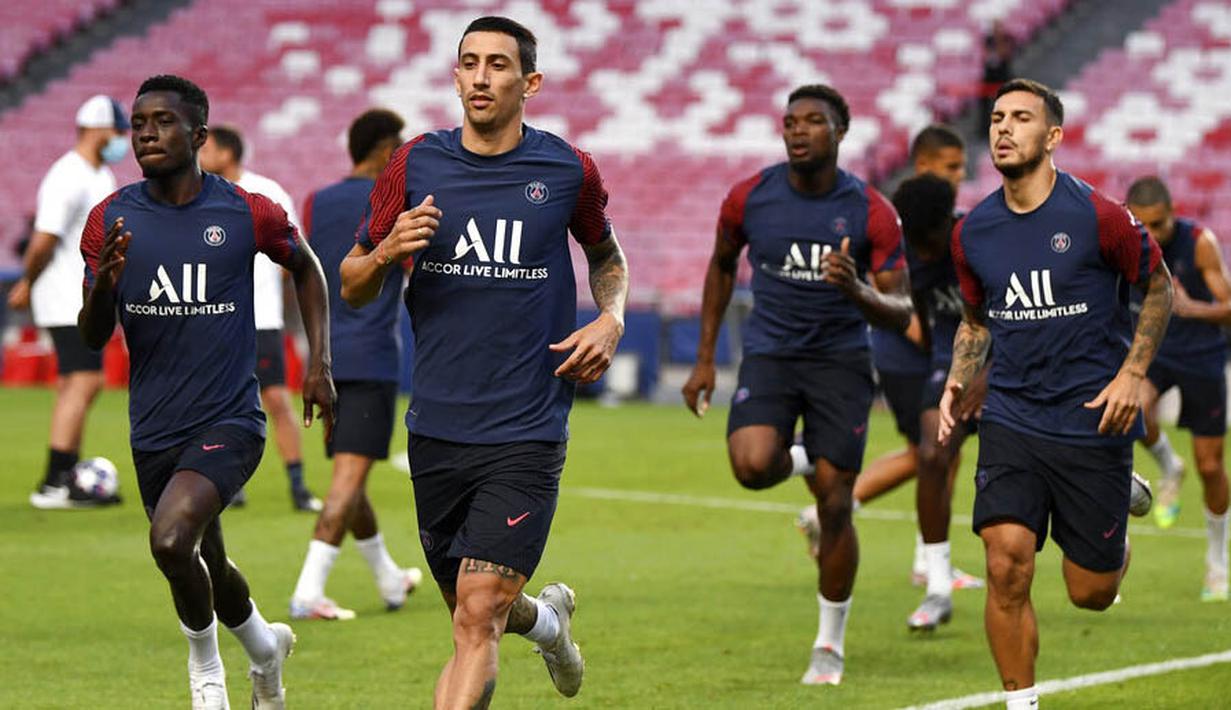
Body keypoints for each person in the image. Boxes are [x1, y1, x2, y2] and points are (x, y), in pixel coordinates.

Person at [340, 17, 628, 708]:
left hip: (526, 427)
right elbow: (351, 282)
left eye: (498, 64)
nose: (480, 76)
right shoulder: (413, 164)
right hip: (437, 427)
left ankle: (534, 623)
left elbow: (606, 257)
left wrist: (611, 318)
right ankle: (549, 624)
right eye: (469, 62)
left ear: (530, 83)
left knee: (477, 616)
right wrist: (387, 252)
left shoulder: (568, 169)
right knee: (474, 612)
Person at [78, 74, 335, 709]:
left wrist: (320, 363)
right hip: (153, 427)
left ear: (198, 135)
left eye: (162, 121)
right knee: (207, 565)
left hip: (229, 420)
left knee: (170, 541)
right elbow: (93, 336)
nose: (146, 133)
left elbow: (307, 267)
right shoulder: (110, 218)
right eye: (139, 123)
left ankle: (206, 675)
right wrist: (104, 286)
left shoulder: (246, 211)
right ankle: (266, 649)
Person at [941, 78, 1165, 710]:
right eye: (996, 118)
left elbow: (1159, 287)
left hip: (1092, 421)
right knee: (1005, 563)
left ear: (1053, 137)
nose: (1004, 128)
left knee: (1090, 593)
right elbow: (976, 321)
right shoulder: (973, 232)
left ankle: (1115, 532)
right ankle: (1023, 704)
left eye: (1021, 118)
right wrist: (958, 377)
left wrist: (1132, 374)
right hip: (1012, 417)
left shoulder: (1098, 216)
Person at [682, 83, 913, 686]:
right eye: (790, 122)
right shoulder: (750, 197)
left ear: (841, 133)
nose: (798, 131)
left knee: (835, 503)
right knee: (752, 465)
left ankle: (829, 644)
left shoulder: (870, 210)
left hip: (840, 363)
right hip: (772, 356)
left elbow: (901, 309)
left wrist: (855, 288)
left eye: (813, 121)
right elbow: (721, 265)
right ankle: (810, 455)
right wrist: (705, 358)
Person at [798, 125, 983, 596]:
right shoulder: (905, 227)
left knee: (939, 453)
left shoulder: (943, 223)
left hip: (927, 351)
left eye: (961, 167)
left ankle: (926, 557)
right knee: (930, 452)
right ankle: (837, 504)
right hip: (906, 354)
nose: (958, 176)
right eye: (950, 167)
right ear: (922, 166)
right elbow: (897, 301)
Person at [289, 108, 423, 620]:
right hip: (371, 359)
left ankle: (389, 578)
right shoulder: (394, 204)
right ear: (386, 149)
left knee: (352, 477)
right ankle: (308, 591)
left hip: (323, 358)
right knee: (346, 483)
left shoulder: (316, 201)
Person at [198, 125, 322, 512]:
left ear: (227, 153)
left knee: (276, 400)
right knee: (218, 406)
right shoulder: (200, 194)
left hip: (260, 320)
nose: (200, 155)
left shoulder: (265, 192)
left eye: (207, 148)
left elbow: (293, 254)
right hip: (215, 322)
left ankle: (298, 485)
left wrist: (263, 289)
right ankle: (229, 485)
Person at [14, 95, 128, 509]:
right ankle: (55, 482)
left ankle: (66, 473)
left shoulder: (100, 175)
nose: (123, 139)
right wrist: (28, 281)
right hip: (65, 295)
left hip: (83, 295)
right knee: (84, 381)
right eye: (118, 130)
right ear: (96, 129)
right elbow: (45, 237)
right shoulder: (68, 175)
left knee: (76, 382)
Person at [1125, 176, 1230, 601]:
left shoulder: (1200, 243)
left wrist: (1191, 308)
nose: (1151, 234)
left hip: (1203, 356)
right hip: (1156, 350)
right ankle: (1169, 466)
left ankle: (1217, 563)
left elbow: (1229, 307)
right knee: (1134, 408)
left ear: (1173, 213)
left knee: (1210, 466)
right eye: (1142, 224)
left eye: (1159, 224)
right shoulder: (1124, 245)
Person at [890, 174, 985, 631]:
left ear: (947, 222)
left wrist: (990, 373)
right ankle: (938, 586)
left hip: (1010, 364)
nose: (923, 252)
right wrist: (940, 365)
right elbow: (924, 314)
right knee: (931, 455)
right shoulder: (913, 249)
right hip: (951, 365)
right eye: (915, 242)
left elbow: (1022, 316)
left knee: (1045, 460)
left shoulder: (984, 242)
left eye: (928, 241)